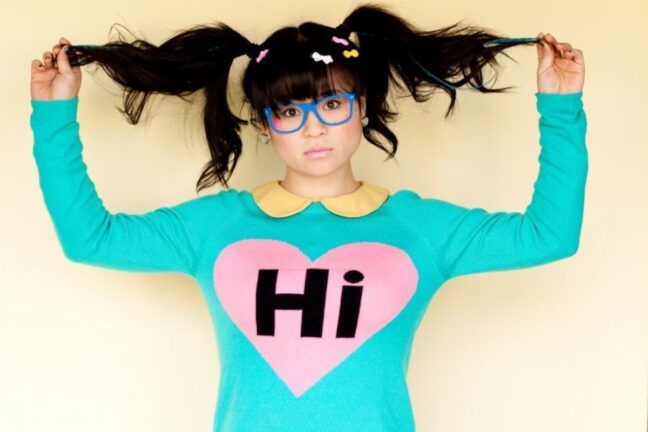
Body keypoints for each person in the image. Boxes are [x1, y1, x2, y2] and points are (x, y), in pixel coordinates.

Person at [29, 3, 587, 431]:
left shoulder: (420, 229)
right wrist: (54, 113)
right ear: (265, 124)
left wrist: (560, 106)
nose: (314, 128)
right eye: (290, 112)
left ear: (362, 107)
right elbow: (90, 239)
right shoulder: (216, 227)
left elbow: (549, 236)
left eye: (333, 105)